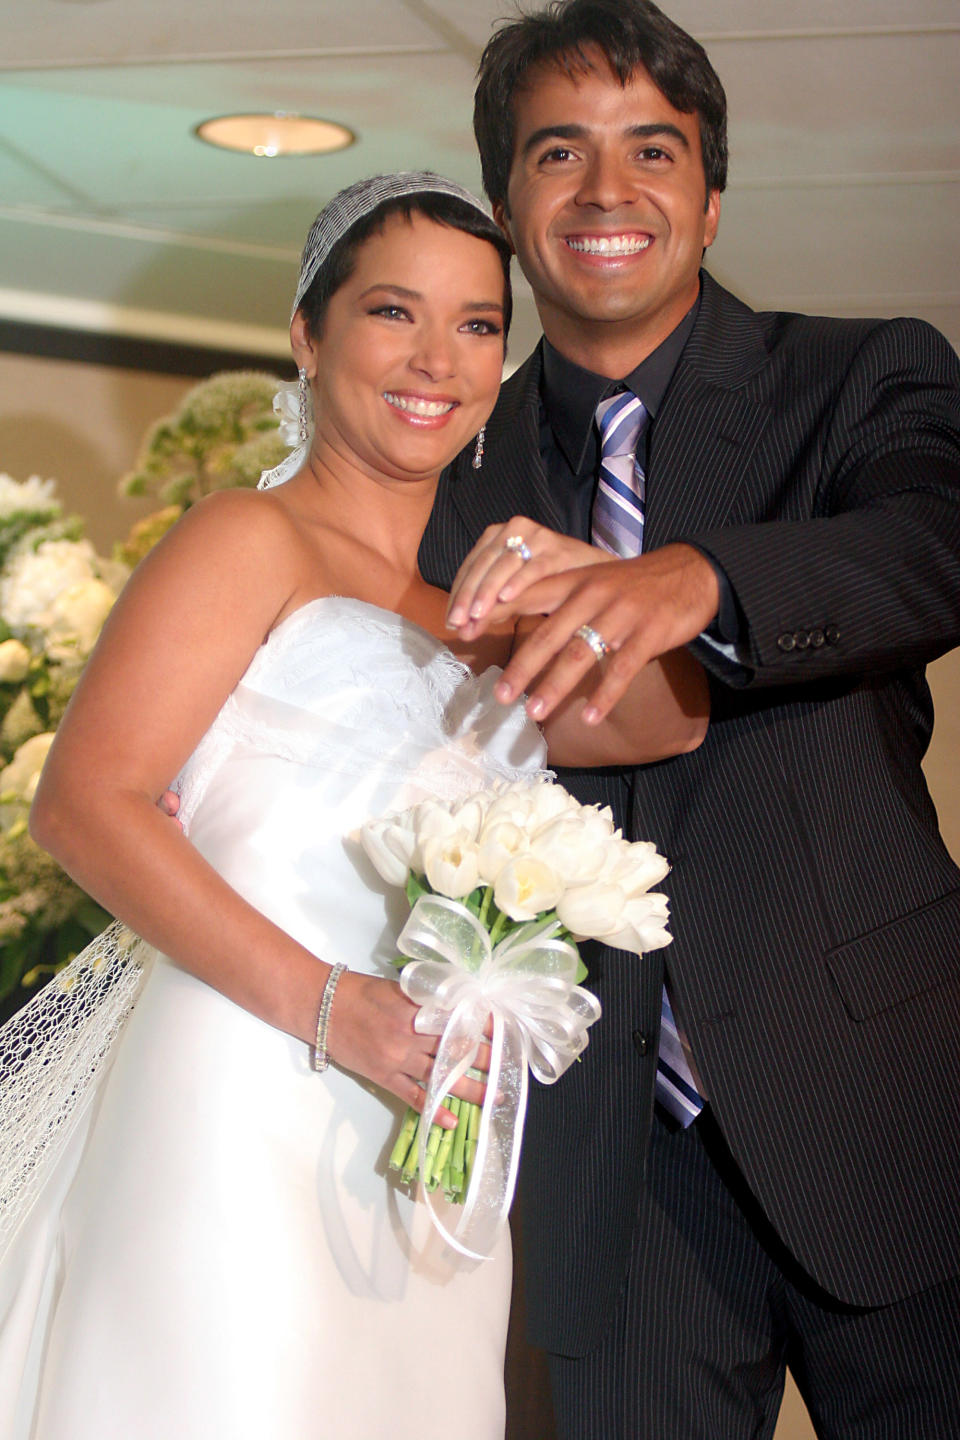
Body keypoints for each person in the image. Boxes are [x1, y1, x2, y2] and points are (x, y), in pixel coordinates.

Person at [0, 171, 706, 1440]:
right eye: (394, 312)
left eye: (481, 324)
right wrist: (337, 1011)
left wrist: (592, 577)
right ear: (308, 336)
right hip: (246, 1085)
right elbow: (86, 806)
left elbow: (671, 718)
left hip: (427, 1140)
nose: (439, 357)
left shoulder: (481, 626)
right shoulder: (246, 540)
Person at [416, 2, 960, 1437]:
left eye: (650, 151)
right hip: (610, 1170)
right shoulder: (448, 486)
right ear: (504, 207)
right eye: (559, 154)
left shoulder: (858, 375)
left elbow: (937, 540)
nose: (607, 192)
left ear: (710, 200)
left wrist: (700, 577)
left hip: (890, 1112)